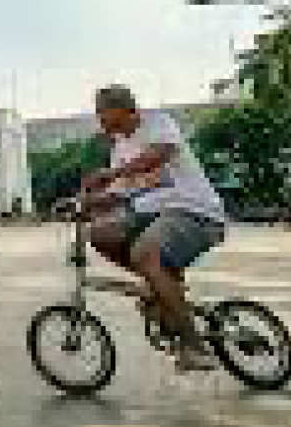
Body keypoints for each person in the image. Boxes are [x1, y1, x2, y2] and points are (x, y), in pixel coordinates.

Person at [81, 85, 228, 371]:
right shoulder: (120, 147)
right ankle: (161, 285)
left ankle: (195, 346)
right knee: (99, 233)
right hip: (155, 215)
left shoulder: (157, 122)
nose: (98, 119)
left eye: (101, 112)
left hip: (194, 210)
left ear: (120, 109)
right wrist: (84, 201)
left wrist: (114, 173)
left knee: (144, 252)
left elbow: (159, 155)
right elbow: (117, 193)